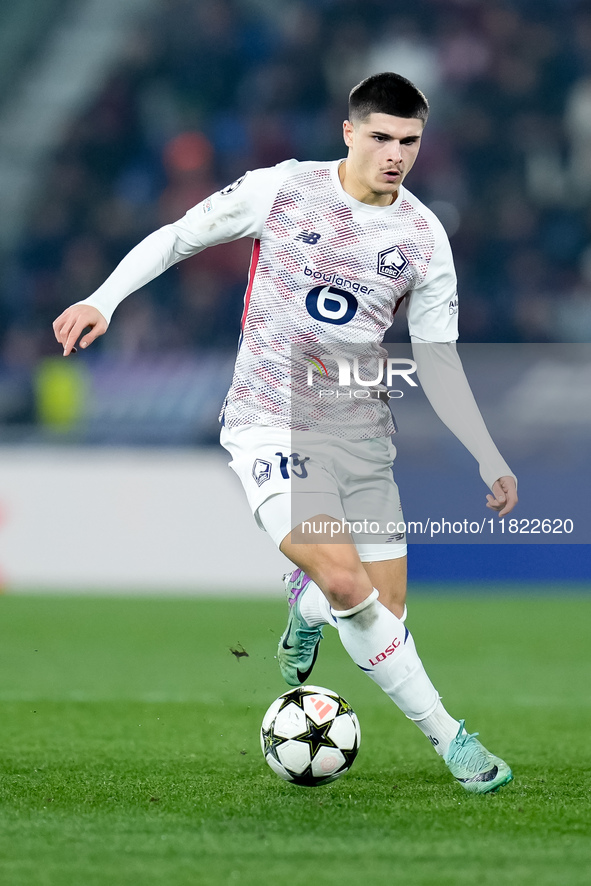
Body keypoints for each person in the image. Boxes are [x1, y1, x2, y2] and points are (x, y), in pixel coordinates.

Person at [53, 72, 518, 793]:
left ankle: (305, 606)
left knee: (382, 608)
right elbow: (179, 237)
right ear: (348, 132)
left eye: (409, 142)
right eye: (381, 137)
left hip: (359, 431)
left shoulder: (424, 238)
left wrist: (486, 452)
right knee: (347, 582)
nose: (395, 154)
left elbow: (437, 358)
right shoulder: (284, 188)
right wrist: (102, 299)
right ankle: (453, 741)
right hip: (268, 420)